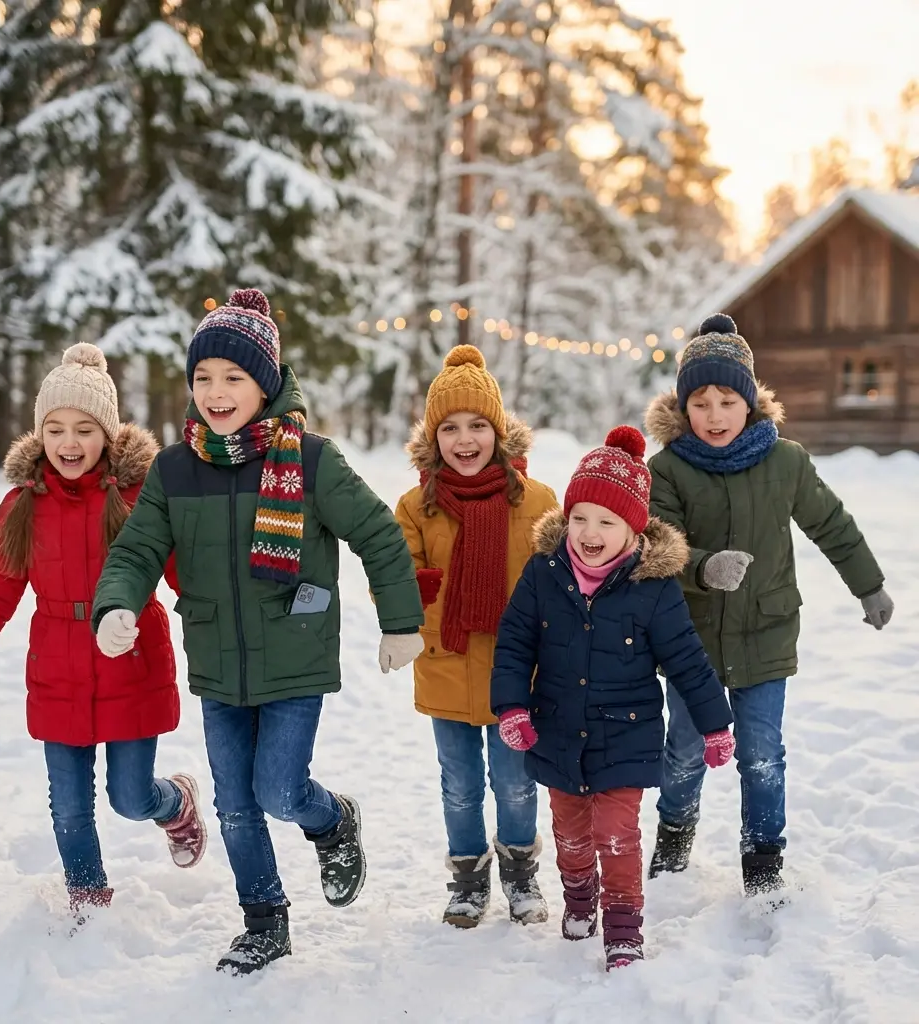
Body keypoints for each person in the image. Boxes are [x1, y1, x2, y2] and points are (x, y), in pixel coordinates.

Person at [91, 288, 425, 975]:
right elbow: (134, 552)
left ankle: (331, 821)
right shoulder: (174, 469)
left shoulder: (309, 460)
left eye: (233, 377)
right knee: (236, 805)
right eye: (203, 378)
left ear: (265, 383)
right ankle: (265, 919)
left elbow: (378, 534)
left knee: (277, 789)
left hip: (294, 652)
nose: (216, 392)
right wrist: (115, 605)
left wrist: (401, 622)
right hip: (217, 658)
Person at [0, 343, 203, 927]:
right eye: (55, 429)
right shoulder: (23, 506)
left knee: (129, 799)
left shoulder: (137, 498)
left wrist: (218, 628)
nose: (69, 443)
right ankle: (90, 904)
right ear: (39, 434)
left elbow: (184, 575)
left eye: (84, 429)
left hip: (131, 659)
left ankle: (174, 801)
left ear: (107, 433)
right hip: (58, 665)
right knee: (70, 809)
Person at [644, 313, 894, 896]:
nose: (713, 415)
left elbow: (831, 525)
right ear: (684, 409)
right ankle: (674, 838)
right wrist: (703, 565)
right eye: (700, 403)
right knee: (683, 749)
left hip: (767, 632)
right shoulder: (668, 468)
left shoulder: (787, 462)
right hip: (692, 641)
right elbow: (656, 542)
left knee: (761, 755)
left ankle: (763, 858)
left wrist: (868, 584)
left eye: (726, 400)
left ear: (750, 402)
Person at [491, 425, 734, 968]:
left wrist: (715, 725)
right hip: (555, 728)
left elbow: (689, 662)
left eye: (606, 521)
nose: (589, 531)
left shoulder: (654, 588)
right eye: (579, 518)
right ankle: (579, 896)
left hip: (626, 731)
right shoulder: (543, 574)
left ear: (633, 529)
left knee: (617, 832)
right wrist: (510, 706)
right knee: (570, 832)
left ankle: (624, 925)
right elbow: (514, 644)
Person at [394, 345, 558, 928]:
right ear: (433, 438)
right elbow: (393, 583)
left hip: (518, 672)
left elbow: (562, 584)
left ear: (499, 430)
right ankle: (467, 879)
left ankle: (519, 874)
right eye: (451, 428)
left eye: (478, 425)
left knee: (514, 783)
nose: (465, 440)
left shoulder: (536, 503)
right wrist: (416, 589)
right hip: (446, 665)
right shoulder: (417, 507)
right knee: (459, 784)